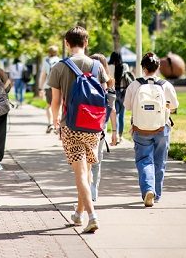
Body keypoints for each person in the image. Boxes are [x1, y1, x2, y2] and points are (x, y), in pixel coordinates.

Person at [48, 26, 108, 233]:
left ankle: (92, 216)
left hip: (71, 125)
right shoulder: (97, 66)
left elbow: (55, 101)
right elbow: (105, 93)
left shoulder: (59, 67)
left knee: (80, 173)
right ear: (86, 42)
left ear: (67, 43)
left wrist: (55, 121)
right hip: (93, 126)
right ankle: (78, 214)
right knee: (88, 171)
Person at [124, 52, 179, 207]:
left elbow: (127, 106)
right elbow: (175, 105)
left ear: (143, 67)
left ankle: (148, 189)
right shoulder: (165, 85)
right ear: (158, 67)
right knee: (159, 161)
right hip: (162, 128)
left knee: (144, 160)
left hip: (140, 129)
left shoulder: (135, 85)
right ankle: (156, 194)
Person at [88, 53, 117, 202]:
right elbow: (112, 110)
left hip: (84, 123)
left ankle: (87, 188)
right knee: (97, 158)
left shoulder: (83, 82)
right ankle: (94, 189)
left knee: (85, 158)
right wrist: (115, 131)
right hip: (100, 125)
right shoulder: (109, 85)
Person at [38, 45, 61, 133]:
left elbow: (43, 75)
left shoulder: (46, 61)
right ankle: (58, 126)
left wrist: (40, 88)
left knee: (49, 105)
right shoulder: (60, 61)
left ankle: (50, 123)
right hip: (58, 86)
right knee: (59, 105)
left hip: (48, 86)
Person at [108, 52, 128, 143]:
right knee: (122, 116)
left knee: (114, 114)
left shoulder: (109, 67)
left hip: (113, 91)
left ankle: (114, 135)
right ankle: (120, 136)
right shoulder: (125, 66)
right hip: (123, 92)